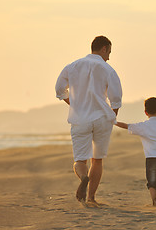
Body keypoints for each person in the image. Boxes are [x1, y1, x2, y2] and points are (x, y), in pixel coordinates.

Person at [55, 36, 122, 207]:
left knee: (80, 160)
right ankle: (91, 197)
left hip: (80, 118)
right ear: (104, 48)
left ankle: (84, 178)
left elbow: (59, 89)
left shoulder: (73, 66)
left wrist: (74, 103)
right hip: (101, 118)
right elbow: (116, 98)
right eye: (109, 53)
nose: (109, 57)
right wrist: (112, 116)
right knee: (97, 159)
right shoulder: (108, 69)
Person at [115, 97, 156, 206]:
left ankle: (154, 201)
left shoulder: (143, 126)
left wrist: (114, 122)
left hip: (152, 157)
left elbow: (127, 126)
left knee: (152, 181)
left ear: (145, 112)